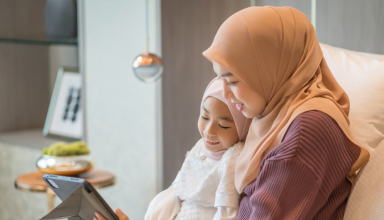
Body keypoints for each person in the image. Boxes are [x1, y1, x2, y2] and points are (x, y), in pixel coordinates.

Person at [202, 6, 370, 219]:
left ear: (270, 70)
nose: (226, 94)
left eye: (233, 81)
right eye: (221, 80)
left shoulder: (307, 132)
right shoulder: (273, 114)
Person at [94, 78, 251, 220]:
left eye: (223, 125)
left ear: (243, 128)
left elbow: (227, 213)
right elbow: (175, 193)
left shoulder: (233, 157)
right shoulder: (199, 148)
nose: (209, 131)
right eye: (204, 117)